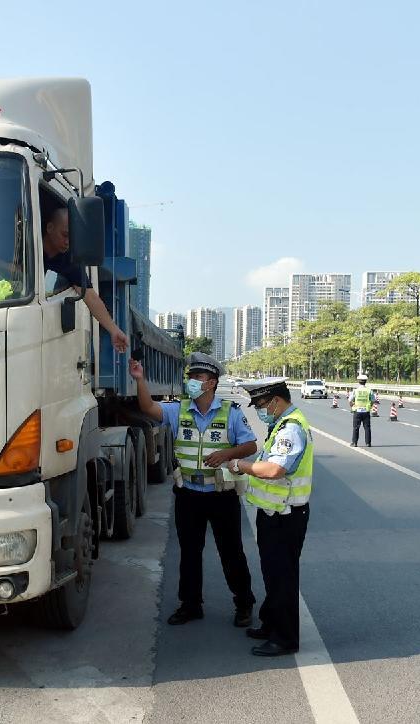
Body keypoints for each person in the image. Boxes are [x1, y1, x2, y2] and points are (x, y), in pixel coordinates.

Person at [129, 352, 258, 627]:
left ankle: (244, 603)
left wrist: (226, 454)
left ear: (211, 383)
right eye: (190, 377)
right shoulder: (179, 410)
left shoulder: (230, 413)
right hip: (188, 494)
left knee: (231, 551)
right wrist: (139, 380)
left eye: (198, 378)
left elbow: (250, 446)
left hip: (221, 495)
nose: (192, 382)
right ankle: (190, 605)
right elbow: (148, 408)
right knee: (189, 552)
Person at [231, 378, 313, 657]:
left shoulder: (291, 428)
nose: (259, 411)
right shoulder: (279, 424)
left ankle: (285, 638)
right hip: (274, 514)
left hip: (285, 517)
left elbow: (275, 470)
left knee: (282, 578)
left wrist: (241, 465)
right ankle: (270, 623)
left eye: (261, 405)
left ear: (276, 401)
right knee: (272, 574)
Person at [43, 207, 128, 352]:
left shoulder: (69, 261)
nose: (67, 242)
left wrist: (114, 330)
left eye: (72, 238)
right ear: (50, 228)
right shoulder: (26, 247)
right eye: (64, 235)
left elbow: (91, 297)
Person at [347, 372, 375, 447]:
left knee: (356, 427)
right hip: (366, 411)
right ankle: (368, 443)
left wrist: (352, 405)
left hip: (357, 411)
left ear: (358, 381)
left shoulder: (355, 391)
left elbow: (350, 400)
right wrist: (370, 406)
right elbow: (373, 400)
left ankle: (354, 442)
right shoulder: (369, 391)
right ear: (366, 382)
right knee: (367, 427)